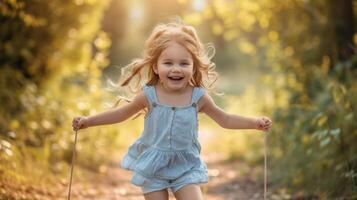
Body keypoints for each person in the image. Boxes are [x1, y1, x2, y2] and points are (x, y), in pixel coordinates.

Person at [72, 20, 272, 200]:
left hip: (185, 167)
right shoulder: (149, 96)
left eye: (184, 63)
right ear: (156, 67)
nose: (176, 69)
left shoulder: (198, 97)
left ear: (193, 68)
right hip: (154, 167)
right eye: (168, 63)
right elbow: (120, 113)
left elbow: (225, 119)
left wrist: (254, 123)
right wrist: (88, 121)